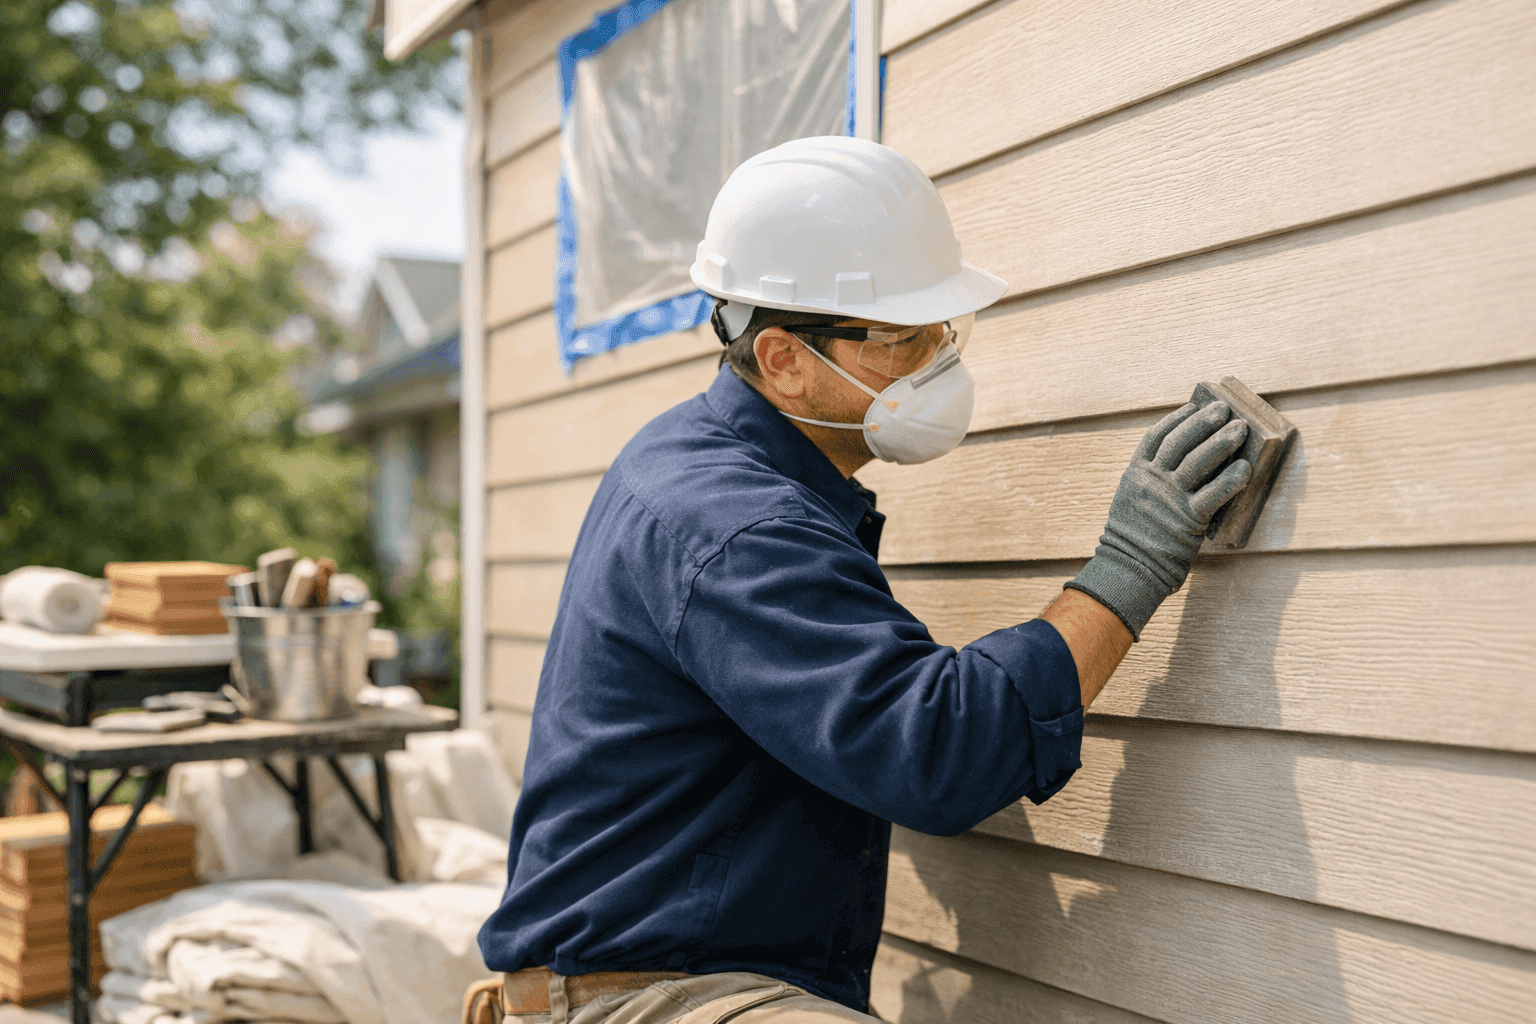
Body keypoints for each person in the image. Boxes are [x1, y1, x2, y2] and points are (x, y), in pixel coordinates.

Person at [474, 136, 1251, 1024]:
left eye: (941, 331)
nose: (936, 360)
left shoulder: (703, 463)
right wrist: (1134, 563)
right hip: (648, 998)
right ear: (783, 360)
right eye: (897, 338)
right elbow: (937, 753)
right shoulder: (736, 525)